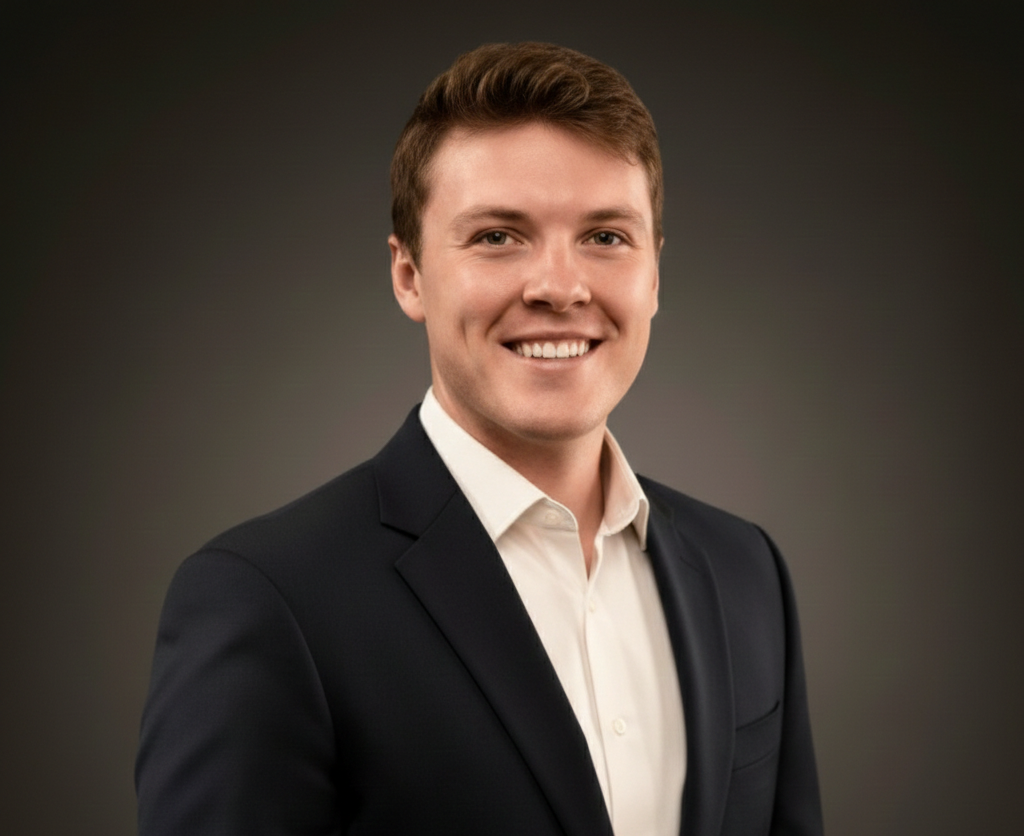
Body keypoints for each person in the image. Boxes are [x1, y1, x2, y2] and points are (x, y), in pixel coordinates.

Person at [136, 42, 823, 836]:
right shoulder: (264, 600)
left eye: (606, 236)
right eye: (499, 236)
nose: (560, 287)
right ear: (409, 276)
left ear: (655, 275)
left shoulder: (748, 571)